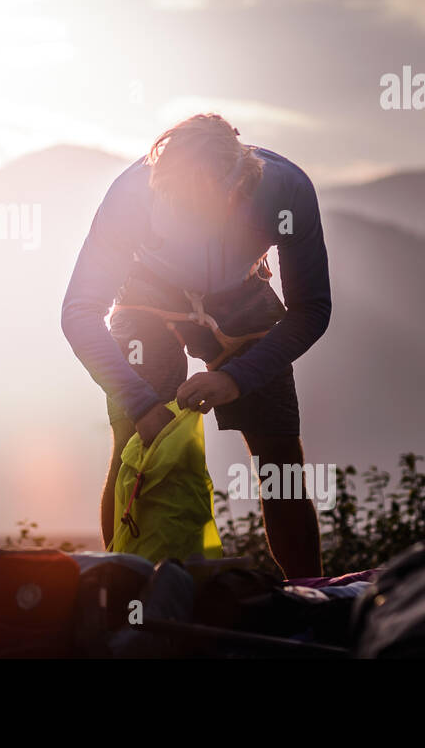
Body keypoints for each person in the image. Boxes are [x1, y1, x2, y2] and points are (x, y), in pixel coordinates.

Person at [61, 113, 331, 578]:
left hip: (242, 291)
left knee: (280, 459)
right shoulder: (131, 197)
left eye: (195, 203)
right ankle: (124, 600)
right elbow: (79, 313)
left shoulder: (285, 191)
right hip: (149, 289)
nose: (183, 213)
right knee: (137, 447)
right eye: (173, 201)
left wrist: (237, 379)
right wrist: (142, 405)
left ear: (235, 186)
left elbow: (312, 310)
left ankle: (308, 593)